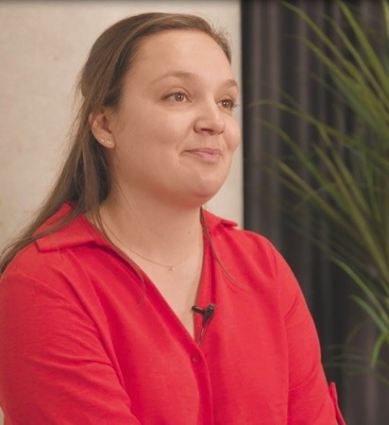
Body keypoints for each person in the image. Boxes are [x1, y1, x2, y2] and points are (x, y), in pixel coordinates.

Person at [0, 12, 344, 425]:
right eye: (178, 96)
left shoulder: (262, 266)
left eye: (226, 102)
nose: (214, 122)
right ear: (105, 123)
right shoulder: (44, 284)